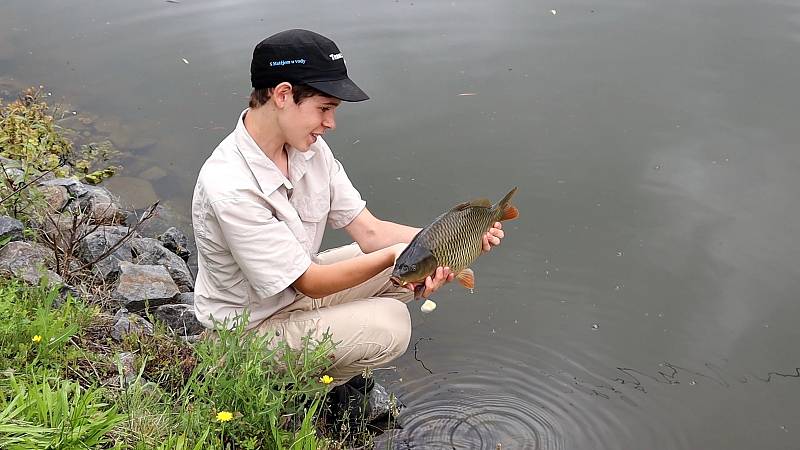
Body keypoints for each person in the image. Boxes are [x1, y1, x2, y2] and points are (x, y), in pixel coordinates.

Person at [190, 29, 505, 415]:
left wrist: (453, 240)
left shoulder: (310, 151)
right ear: (283, 94)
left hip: (292, 302)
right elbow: (309, 280)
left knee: (409, 271)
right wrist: (398, 256)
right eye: (325, 108)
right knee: (393, 322)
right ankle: (276, 391)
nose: (331, 123)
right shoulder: (230, 185)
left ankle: (324, 360)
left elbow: (369, 232)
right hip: (246, 334)